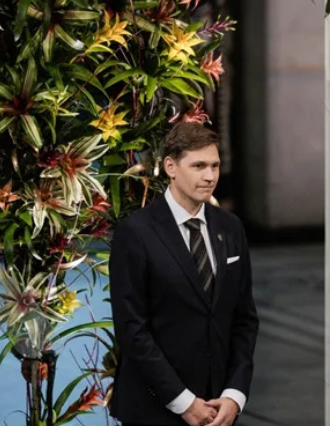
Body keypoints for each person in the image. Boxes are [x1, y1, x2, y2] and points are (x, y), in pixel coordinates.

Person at [110, 123, 258, 426]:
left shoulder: (230, 228)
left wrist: (234, 394)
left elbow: (244, 319)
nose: (210, 176)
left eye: (215, 166)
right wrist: (184, 403)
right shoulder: (135, 233)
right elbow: (132, 330)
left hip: (218, 410)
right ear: (170, 167)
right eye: (199, 166)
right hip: (154, 411)